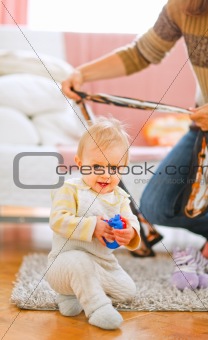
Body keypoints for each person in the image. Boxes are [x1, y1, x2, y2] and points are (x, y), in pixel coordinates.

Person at [62, 0, 208, 286]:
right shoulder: (182, 7)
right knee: (155, 206)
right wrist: (83, 73)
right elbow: (141, 53)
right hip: (205, 126)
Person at [46, 117, 141, 330]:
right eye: (97, 166)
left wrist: (131, 232)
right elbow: (58, 220)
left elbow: (132, 220)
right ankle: (96, 308)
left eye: (114, 168)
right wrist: (91, 226)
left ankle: (79, 292)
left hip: (102, 265)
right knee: (80, 262)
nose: (106, 175)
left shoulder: (120, 197)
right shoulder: (70, 190)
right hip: (64, 265)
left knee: (127, 291)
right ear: (80, 164)